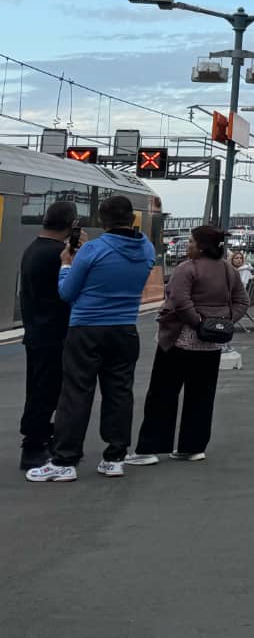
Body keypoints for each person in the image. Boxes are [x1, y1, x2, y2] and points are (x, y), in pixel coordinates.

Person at [28, 194, 156, 482]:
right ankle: (114, 458)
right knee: (119, 393)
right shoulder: (146, 249)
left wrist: (66, 264)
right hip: (125, 329)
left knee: (76, 392)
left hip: (86, 329)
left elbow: (67, 293)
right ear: (131, 218)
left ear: (101, 220)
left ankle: (65, 460)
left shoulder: (92, 249)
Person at [130, 225, 248, 465]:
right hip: (211, 345)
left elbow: (180, 301)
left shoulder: (187, 268)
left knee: (163, 394)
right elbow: (242, 301)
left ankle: (150, 448)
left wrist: (198, 323)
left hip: (178, 340)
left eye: (192, 241)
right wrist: (223, 323)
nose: (188, 245)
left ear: (202, 246)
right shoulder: (228, 270)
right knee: (202, 396)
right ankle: (193, 447)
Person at [17, 200, 77, 473]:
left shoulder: (33, 249)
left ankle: (39, 436)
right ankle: (34, 445)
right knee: (46, 391)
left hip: (36, 331)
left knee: (39, 388)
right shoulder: (57, 255)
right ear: (72, 224)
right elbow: (70, 291)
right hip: (54, 333)